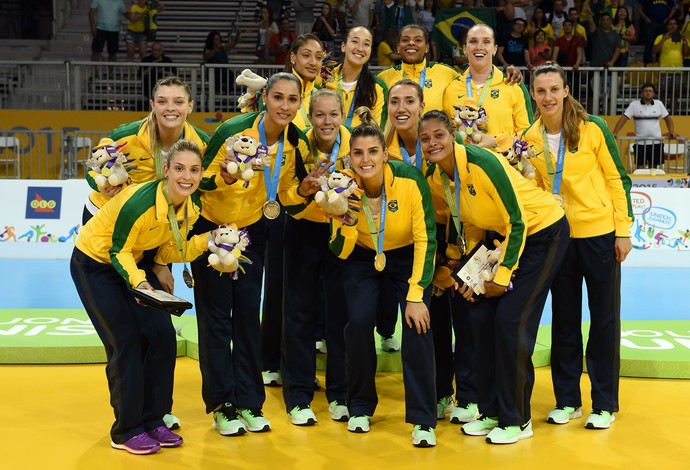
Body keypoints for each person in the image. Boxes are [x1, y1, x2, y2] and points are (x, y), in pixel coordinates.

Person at [421, 109, 570, 445]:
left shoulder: (482, 162)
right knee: (480, 319)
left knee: (510, 321)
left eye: (439, 135)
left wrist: (501, 276)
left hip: (544, 232)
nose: (432, 143)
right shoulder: (437, 177)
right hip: (504, 240)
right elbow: (471, 224)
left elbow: (517, 220)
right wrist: (473, 275)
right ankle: (490, 412)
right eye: (426, 138)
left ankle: (517, 419)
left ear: (453, 135)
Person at [70, 139, 211, 455]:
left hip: (137, 265)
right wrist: (141, 283)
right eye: (179, 169)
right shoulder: (139, 202)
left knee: (162, 336)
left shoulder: (193, 205)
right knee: (127, 341)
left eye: (193, 170)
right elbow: (117, 251)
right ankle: (126, 430)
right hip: (96, 265)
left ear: (201, 173)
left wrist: (207, 241)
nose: (186, 177)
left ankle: (154, 419)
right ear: (166, 170)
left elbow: (172, 245)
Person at [192, 72, 309, 437]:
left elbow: (286, 193)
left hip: (252, 233)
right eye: (278, 97)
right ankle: (222, 405)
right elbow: (201, 178)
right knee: (216, 321)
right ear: (265, 99)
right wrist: (224, 179)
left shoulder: (296, 142)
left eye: (292, 99)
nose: (285, 106)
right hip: (212, 230)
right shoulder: (234, 130)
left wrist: (302, 189)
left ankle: (250, 402)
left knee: (246, 318)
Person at [522, 63, 633, 432]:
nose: (548, 97)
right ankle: (567, 400)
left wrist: (623, 231)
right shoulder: (529, 136)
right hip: (558, 239)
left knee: (604, 320)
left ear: (566, 90)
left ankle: (604, 402)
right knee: (565, 321)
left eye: (554, 89)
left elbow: (618, 178)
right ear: (533, 95)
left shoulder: (593, 128)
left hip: (600, 235)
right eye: (541, 91)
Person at [328, 107, 438, 448]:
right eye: (358, 153)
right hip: (362, 258)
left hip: (407, 256)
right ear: (349, 157)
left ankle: (423, 419)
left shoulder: (409, 180)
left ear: (385, 154)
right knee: (359, 323)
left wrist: (417, 294)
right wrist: (346, 223)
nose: (365, 160)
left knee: (417, 326)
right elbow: (338, 251)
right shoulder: (341, 187)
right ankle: (359, 405)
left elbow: (426, 238)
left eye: (372, 151)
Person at [277, 89, 352, 426]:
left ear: (342, 113)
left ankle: (340, 393)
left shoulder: (355, 143)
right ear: (310, 115)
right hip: (303, 231)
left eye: (333, 114)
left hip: (343, 234)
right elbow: (285, 198)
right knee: (299, 314)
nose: (327, 122)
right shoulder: (297, 145)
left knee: (341, 316)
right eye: (320, 115)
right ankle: (298, 395)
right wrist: (303, 192)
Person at [85, 76, 208, 225]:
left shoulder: (201, 144)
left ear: (190, 106)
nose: (170, 107)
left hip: (153, 224)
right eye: (162, 101)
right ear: (153, 105)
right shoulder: (127, 134)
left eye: (179, 102)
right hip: (105, 213)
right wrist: (103, 185)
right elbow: (93, 167)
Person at [443, 23, 533, 150]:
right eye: (473, 42)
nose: (479, 47)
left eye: (486, 42)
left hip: (503, 167)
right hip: (464, 166)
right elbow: (445, 134)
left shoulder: (512, 85)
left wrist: (496, 141)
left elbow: (527, 135)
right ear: (465, 49)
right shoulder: (452, 88)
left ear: (495, 49)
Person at [325, 26, 385, 128]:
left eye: (366, 44)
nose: (360, 48)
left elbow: (375, 131)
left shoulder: (375, 89)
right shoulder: (324, 79)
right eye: (355, 41)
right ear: (343, 46)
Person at [612, 83, 677, 169]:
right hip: (640, 143)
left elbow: (668, 119)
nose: (648, 93)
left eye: (650, 91)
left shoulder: (659, 104)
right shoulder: (634, 105)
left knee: (653, 169)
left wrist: (671, 132)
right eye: (646, 91)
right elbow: (624, 119)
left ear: (653, 93)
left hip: (656, 142)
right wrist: (615, 132)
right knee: (640, 168)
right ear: (641, 93)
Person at [653, 17, 690, 115]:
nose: (672, 26)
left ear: (677, 26)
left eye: (674, 24)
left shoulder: (682, 38)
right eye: (670, 24)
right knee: (662, 95)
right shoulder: (660, 37)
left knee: (675, 96)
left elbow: (686, 54)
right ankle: (661, 115)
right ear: (666, 26)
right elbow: (655, 50)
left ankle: (673, 116)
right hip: (664, 70)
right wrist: (665, 38)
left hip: (678, 71)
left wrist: (685, 41)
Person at [636, 0, 677, 65]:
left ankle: (660, 63)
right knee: (648, 44)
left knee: (661, 44)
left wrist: (668, 18)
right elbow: (638, 7)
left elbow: (674, 8)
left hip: (663, 23)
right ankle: (647, 65)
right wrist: (646, 18)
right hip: (650, 23)